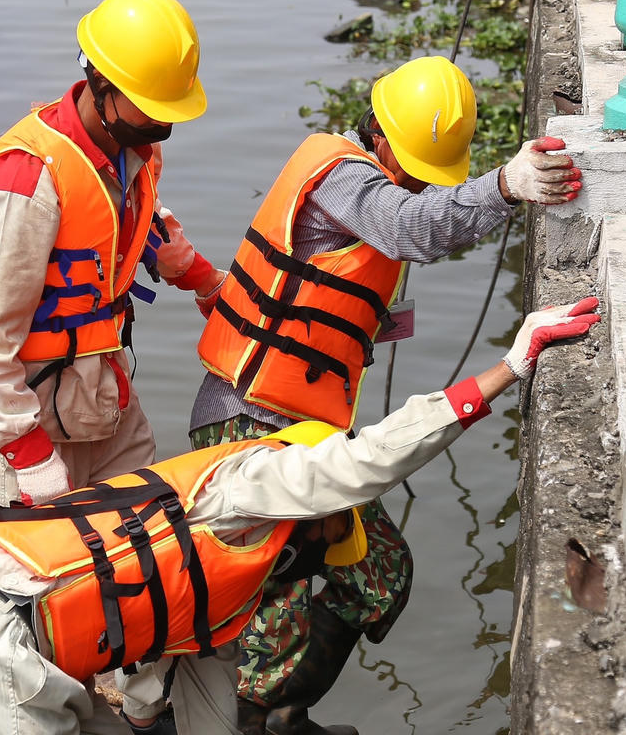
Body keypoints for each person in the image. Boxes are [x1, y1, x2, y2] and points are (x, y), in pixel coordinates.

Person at [0, 298, 601, 735]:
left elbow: (182, 694)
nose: (326, 545)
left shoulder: (217, 600)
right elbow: (372, 457)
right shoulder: (247, 483)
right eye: (336, 526)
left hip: (20, 643)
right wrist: (509, 366)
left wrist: (146, 714)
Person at [188, 55, 584, 734]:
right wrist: (507, 186)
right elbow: (411, 227)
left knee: (378, 575)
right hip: (245, 425)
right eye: (419, 173)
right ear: (382, 137)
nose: (420, 187)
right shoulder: (343, 175)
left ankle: (281, 715)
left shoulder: (366, 180)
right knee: (274, 599)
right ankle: (258, 718)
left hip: (299, 427)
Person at [0, 0, 222, 732]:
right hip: (25, 411)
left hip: (104, 389)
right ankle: (41, 717)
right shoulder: (25, 176)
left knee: (156, 550)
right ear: (98, 84)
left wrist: (193, 270)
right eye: (148, 105)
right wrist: (27, 451)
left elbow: (130, 227)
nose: (164, 120)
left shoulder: (131, 151)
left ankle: (142, 712)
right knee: (30, 590)